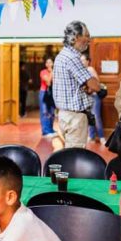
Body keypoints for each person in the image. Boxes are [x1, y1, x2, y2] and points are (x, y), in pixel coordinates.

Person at [51, 21, 100, 149]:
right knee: (75, 155)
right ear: (76, 37)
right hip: (74, 117)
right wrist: (93, 84)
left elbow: (74, 85)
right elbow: (95, 86)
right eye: (87, 36)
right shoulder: (72, 57)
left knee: (69, 153)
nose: (89, 40)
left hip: (65, 114)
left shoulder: (62, 55)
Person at [81, 52, 105, 144]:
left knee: (96, 116)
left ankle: (101, 137)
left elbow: (97, 82)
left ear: (88, 61)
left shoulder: (90, 69)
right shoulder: (82, 71)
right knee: (89, 116)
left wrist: (90, 89)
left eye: (83, 60)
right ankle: (91, 136)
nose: (81, 62)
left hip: (94, 96)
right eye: (80, 60)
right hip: (87, 96)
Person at [39, 57, 55, 136]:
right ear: (45, 64)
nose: (49, 64)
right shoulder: (43, 72)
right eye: (47, 62)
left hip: (52, 93)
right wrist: (51, 72)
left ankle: (51, 130)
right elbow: (48, 82)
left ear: (53, 63)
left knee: (52, 112)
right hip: (44, 92)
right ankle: (45, 131)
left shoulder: (55, 72)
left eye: (50, 62)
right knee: (45, 112)